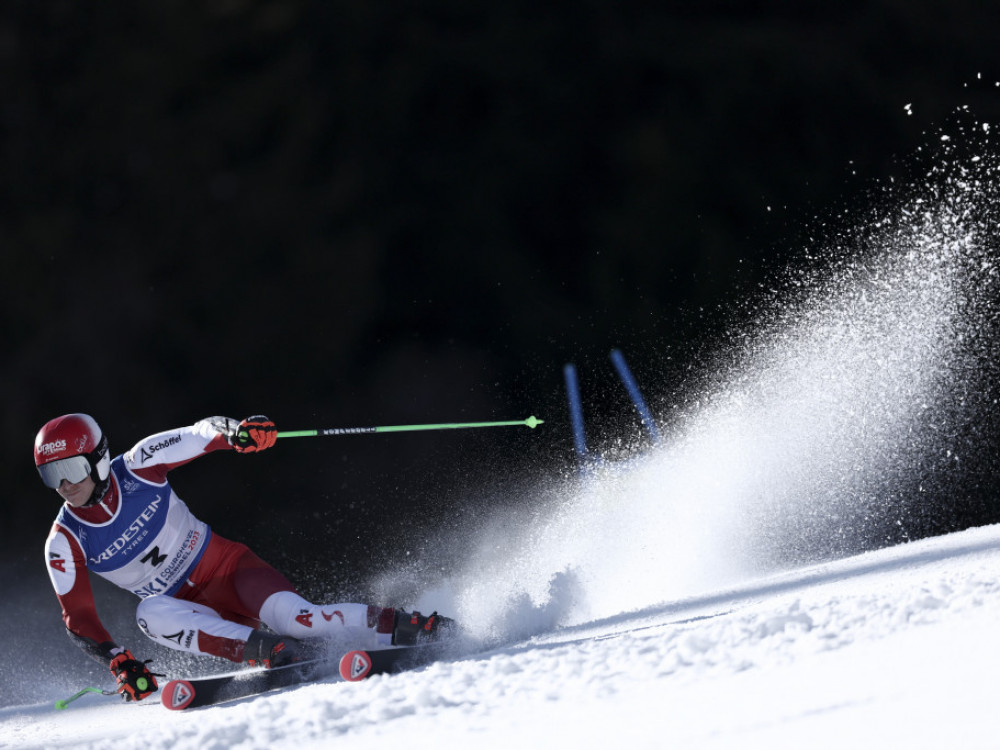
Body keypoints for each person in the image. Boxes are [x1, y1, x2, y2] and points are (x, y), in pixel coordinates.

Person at [35, 413, 451, 703]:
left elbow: (200, 434)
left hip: (231, 571)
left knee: (300, 620)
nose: (66, 484)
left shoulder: (140, 466)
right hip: (190, 613)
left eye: (71, 468)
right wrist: (118, 662)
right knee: (149, 614)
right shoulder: (65, 540)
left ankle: (407, 626)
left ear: (98, 457)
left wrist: (236, 433)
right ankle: (269, 651)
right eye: (52, 474)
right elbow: (79, 618)